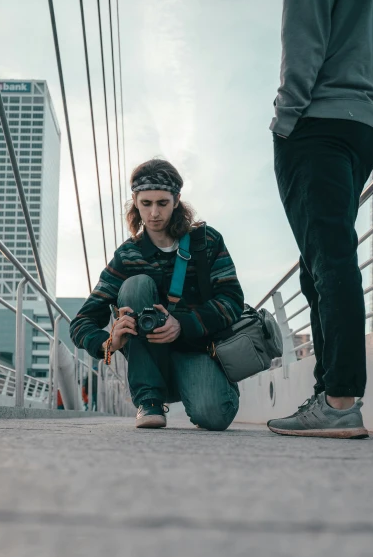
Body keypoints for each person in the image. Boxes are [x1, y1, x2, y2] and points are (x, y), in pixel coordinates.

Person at [267, 0, 373, 438]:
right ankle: (329, 396)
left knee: (329, 259)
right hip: (365, 123)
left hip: (319, 120)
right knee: (319, 262)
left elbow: (302, 30)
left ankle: (341, 400)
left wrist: (285, 119)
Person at [70, 159, 245, 430]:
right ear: (135, 201)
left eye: (162, 203)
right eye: (146, 203)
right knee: (135, 285)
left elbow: (232, 300)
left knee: (213, 416)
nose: (153, 213)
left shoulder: (206, 241)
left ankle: (212, 386)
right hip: (148, 357)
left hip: (195, 351)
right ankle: (149, 400)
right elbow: (81, 322)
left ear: (176, 200)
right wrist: (109, 343)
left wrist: (181, 325)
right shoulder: (128, 254)